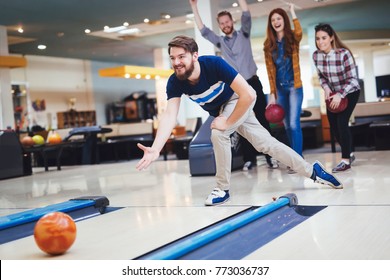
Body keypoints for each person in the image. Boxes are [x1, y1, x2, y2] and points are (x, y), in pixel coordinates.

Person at [136, 35, 343, 206]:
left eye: (181, 56)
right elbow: (170, 115)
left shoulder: (214, 65)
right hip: (223, 109)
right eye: (172, 58)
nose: (176, 62)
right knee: (266, 144)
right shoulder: (176, 82)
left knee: (219, 132)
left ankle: (222, 189)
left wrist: (226, 122)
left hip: (238, 100)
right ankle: (313, 171)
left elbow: (249, 94)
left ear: (195, 55)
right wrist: (156, 148)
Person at [189, 0, 278, 171]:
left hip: (252, 82)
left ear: (232, 21)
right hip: (235, 87)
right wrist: (194, 6)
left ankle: (270, 157)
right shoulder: (220, 42)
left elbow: (246, 14)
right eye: (222, 23)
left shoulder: (244, 33)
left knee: (262, 119)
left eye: (227, 21)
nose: (225, 25)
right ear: (220, 26)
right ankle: (249, 159)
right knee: (239, 121)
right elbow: (203, 30)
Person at [313, 23, 360, 173]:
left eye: (324, 38)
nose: (320, 42)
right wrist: (326, 87)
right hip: (332, 94)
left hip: (350, 91)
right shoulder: (316, 56)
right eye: (318, 38)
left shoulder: (343, 54)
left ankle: (345, 160)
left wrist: (341, 94)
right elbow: (321, 76)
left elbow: (353, 79)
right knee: (333, 125)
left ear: (332, 38)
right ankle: (350, 153)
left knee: (341, 122)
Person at [263, 3, 304, 173]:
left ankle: (298, 160)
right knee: (286, 126)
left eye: (279, 18)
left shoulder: (293, 38)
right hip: (280, 90)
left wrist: (293, 11)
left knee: (294, 124)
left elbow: (300, 31)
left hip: (295, 87)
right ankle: (294, 159)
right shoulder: (268, 45)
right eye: (273, 20)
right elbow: (270, 73)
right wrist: (272, 94)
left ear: (284, 20)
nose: (276, 22)